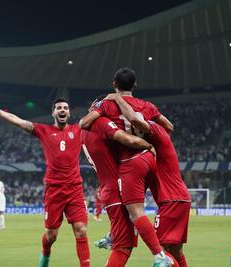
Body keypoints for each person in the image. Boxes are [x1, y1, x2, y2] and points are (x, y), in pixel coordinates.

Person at [0, 96, 90, 267]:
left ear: (69, 112)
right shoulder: (44, 130)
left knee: (81, 230)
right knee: (51, 236)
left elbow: (97, 117)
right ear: (53, 113)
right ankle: (45, 255)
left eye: (65, 107)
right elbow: (18, 121)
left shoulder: (78, 129)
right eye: (59, 108)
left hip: (75, 188)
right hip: (54, 190)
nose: (62, 110)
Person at [80, 68, 174, 267]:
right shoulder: (147, 105)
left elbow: (95, 128)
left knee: (132, 223)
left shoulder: (102, 115)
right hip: (149, 161)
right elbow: (168, 127)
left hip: (127, 169)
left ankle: (159, 256)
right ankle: (114, 234)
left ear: (114, 84)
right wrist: (151, 140)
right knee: (125, 243)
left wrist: (105, 103)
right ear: (136, 85)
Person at [112, 93, 191, 267]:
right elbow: (169, 125)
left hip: (170, 200)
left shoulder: (154, 129)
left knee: (161, 253)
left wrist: (118, 99)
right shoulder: (163, 132)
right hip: (181, 198)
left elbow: (135, 119)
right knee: (176, 251)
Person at [82, 102, 155, 266]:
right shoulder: (101, 123)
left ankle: (112, 234)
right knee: (123, 246)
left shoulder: (84, 131)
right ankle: (158, 254)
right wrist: (148, 145)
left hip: (109, 187)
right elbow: (127, 139)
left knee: (124, 245)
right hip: (116, 189)